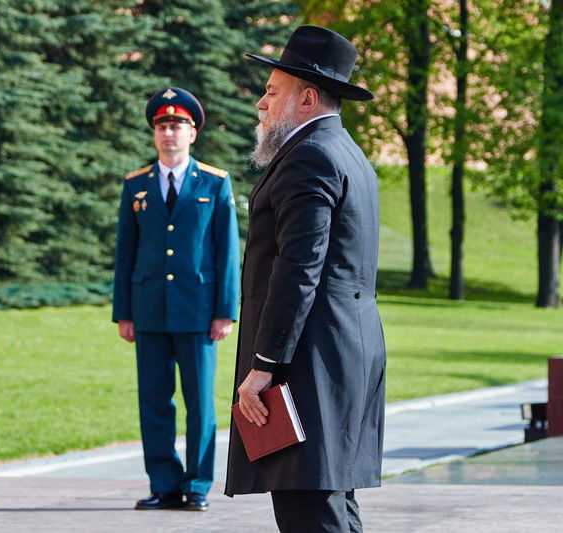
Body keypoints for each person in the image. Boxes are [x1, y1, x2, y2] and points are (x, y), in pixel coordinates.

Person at [224, 25, 386, 532]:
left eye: (272, 92)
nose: (261, 104)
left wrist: (263, 366)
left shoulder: (310, 156)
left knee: (310, 511)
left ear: (307, 98)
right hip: (342, 354)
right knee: (332, 505)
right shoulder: (346, 152)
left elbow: (298, 271)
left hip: (310, 361)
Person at [113, 87, 240, 512]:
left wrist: (225, 310)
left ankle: (198, 486)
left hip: (199, 311)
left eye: (177, 126)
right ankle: (164, 483)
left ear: (193, 133)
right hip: (148, 308)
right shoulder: (136, 185)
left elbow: (227, 252)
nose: (169, 133)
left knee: (200, 403)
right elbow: (125, 252)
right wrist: (123, 312)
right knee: (153, 400)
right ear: (154, 134)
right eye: (162, 126)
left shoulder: (215, 183)